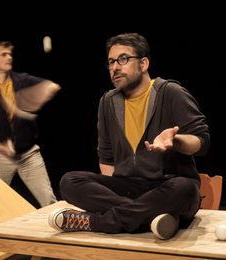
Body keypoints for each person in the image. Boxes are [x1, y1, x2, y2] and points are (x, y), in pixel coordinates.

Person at [48, 33, 210, 239]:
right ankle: (154, 218)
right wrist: (114, 196)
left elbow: (202, 141)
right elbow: (106, 157)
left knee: (185, 188)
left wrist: (175, 141)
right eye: (110, 62)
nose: (115, 66)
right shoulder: (107, 102)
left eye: (123, 59)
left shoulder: (170, 92)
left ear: (143, 64)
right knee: (69, 181)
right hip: (129, 187)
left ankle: (95, 222)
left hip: (167, 187)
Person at [0, 41, 58, 207]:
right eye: (3, 54)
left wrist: (33, 99)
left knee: (49, 202)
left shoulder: (23, 80)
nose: (9, 57)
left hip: (29, 155)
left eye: (10, 54)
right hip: (1, 156)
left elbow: (52, 86)